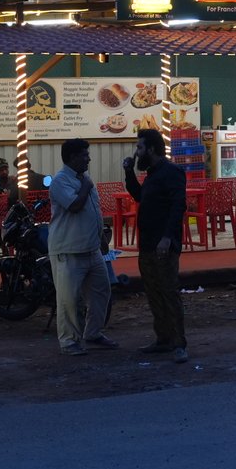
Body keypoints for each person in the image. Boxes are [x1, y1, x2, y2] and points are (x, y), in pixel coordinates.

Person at [124, 128, 189, 363]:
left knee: (168, 291)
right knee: (153, 292)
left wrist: (167, 237)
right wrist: (128, 172)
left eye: (140, 147)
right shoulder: (152, 173)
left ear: (151, 149)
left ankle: (179, 343)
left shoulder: (171, 172)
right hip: (148, 243)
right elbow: (139, 196)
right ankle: (163, 339)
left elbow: (178, 206)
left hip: (163, 244)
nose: (137, 152)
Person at [46, 139, 115, 356]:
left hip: (92, 249)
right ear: (72, 157)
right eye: (84, 155)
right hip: (69, 251)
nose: (88, 159)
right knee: (68, 300)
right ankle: (69, 342)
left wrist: (101, 239)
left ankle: (92, 333)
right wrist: (85, 187)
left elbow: (94, 211)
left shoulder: (84, 179)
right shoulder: (60, 181)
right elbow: (75, 206)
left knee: (101, 291)